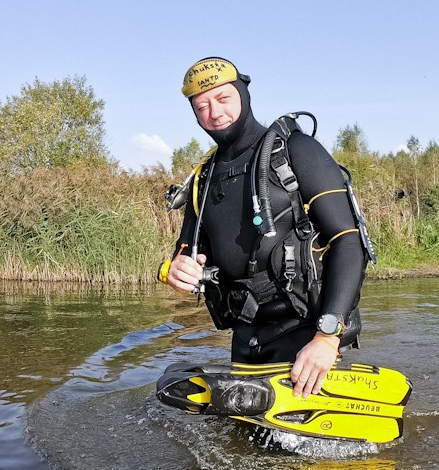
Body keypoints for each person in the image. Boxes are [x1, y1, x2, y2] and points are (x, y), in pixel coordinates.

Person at [158, 57, 370, 400]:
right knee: (246, 447)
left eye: (223, 98)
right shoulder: (204, 177)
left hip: (306, 335)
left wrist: (327, 337)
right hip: (245, 337)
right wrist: (172, 270)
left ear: (243, 93)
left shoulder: (296, 150)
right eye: (202, 106)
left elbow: (349, 242)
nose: (214, 112)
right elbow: (185, 252)